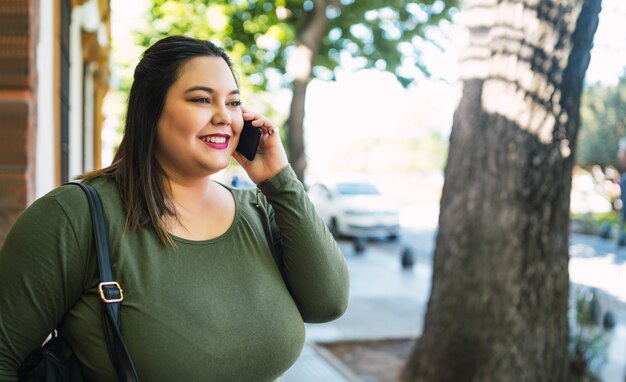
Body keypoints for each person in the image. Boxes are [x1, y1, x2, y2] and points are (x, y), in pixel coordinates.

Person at [0, 35, 349, 381]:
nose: (223, 117)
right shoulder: (72, 216)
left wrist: (280, 180)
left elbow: (327, 303)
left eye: (233, 102)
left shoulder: (259, 209)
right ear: (151, 110)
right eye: (201, 99)